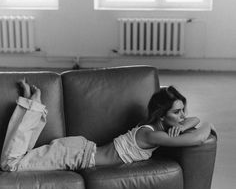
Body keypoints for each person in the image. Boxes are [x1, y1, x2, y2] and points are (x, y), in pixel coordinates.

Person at [0, 80, 215, 172]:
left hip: (80, 149)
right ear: (162, 114)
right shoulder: (152, 136)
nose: (183, 116)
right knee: (12, 164)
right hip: (77, 155)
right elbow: (197, 136)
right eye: (177, 112)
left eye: (183, 110)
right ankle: (34, 103)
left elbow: (191, 121)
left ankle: (31, 105)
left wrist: (187, 122)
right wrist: (209, 122)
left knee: (24, 158)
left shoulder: (152, 128)